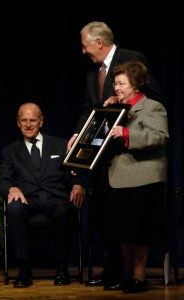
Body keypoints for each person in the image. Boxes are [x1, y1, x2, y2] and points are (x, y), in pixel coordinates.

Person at [67, 21, 164, 290]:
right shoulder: (92, 75)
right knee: (110, 219)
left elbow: (151, 94)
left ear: (99, 42)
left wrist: (121, 102)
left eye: (85, 45)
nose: (83, 52)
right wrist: (78, 135)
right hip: (106, 157)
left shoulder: (133, 60)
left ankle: (133, 274)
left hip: (133, 158)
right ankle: (113, 272)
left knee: (134, 224)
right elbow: (89, 110)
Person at [0, 102, 86, 288]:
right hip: (27, 199)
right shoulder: (10, 152)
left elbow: (74, 175)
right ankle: (24, 269)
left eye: (33, 120)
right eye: (24, 120)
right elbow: (4, 180)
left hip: (55, 198)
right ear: (18, 123)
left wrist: (78, 185)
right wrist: (11, 189)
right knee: (13, 209)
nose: (28, 124)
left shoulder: (61, 146)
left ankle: (62, 267)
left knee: (64, 209)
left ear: (41, 121)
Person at [105, 60, 169, 293]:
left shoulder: (152, 107)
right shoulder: (115, 108)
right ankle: (126, 273)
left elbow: (159, 137)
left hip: (144, 176)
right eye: (115, 83)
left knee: (140, 231)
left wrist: (127, 133)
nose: (117, 88)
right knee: (122, 229)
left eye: (121, 83)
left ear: (136, 85)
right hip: (119, 175)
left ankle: (139, 277)